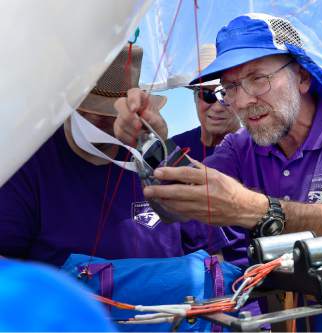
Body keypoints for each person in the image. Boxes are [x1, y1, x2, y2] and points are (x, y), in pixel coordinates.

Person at [114, 14, 322, 268]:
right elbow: (178, 204)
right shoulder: (239, 147)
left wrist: (256, 209)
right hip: (279, 309)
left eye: (257, 79)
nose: (241, 102)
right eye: (230, 87)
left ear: (303, 77)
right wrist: (153, 140)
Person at [0, 45, 228, 266]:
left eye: (117, 113)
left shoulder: (158, 156)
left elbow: (212, 256)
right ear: (69, 106)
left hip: (178, 305)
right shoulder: (28, 167)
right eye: (96, 112)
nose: (108, 122)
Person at [170, 44, 241, 253]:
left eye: (226, 95)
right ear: (194, 96)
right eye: (207, 95)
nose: (218, 106)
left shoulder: (258, 151)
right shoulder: (175, 148)